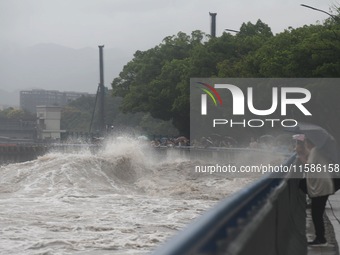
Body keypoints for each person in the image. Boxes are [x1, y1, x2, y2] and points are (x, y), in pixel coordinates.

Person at [301, 137, 335, 246]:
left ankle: (321, 239)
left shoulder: (315, 151)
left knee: (316, 213)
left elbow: (310, 166)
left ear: (308, 142)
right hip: (323, 184)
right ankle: (320, 238)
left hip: (321, 186)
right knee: (317, 212)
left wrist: (301, 159)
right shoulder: (316, 151)